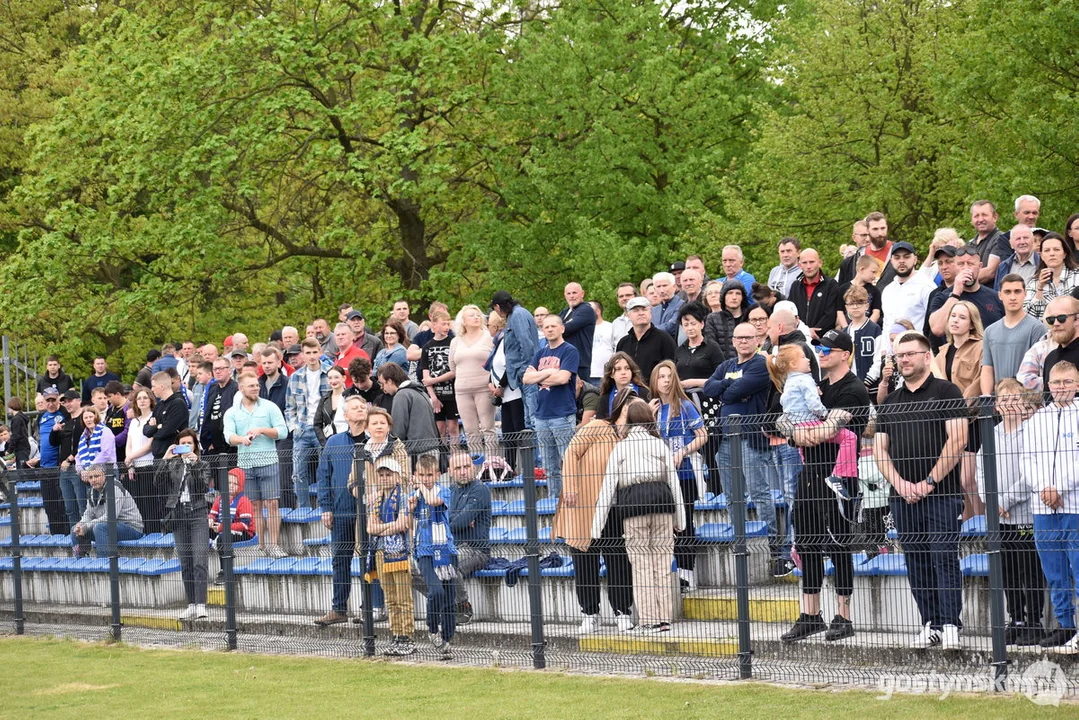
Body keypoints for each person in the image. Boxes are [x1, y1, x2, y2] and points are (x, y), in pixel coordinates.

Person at [875, 332, 968, 650]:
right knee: (916, 560)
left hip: (942, 495)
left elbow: (957, 441)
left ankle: (952, 624)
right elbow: (879, 451)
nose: (904, 360)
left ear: (927, 357)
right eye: (900, 356)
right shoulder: (890, 402)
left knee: (944, 558)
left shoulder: (947, 391)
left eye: (910, 354)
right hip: (902, 498)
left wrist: (928, 482)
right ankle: (931, 624)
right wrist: (900, 485)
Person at [780, 329, 871, 643]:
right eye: (819, 347)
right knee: (806, 542)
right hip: (809, 474)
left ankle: (843, 615)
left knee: (838, 544)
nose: (821, 352)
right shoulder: (813, 385)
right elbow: (785, 425)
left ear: (845, 354)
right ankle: (810, 614)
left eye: (828, 348)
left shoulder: (853, 389)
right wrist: (796, 432)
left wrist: (798, 433)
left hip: (838, 477)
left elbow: (815, 433)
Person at [591, 400, 686, 634]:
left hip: (633, 505)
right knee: (663, 561)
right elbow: (672, 481)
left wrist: (596, 526)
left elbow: (608, 488)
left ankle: (648, 620)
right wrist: (680, 518)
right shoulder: (659, 444)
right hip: (662, 503)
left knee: (641, 562)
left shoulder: (621, 448)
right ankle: (664, 618)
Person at [556, 388, 637, 634]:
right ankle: (589, 613)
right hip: (584, 505)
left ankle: (622, 611)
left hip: (615, 509)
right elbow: (571, 452)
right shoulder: (596, 426)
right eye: (628, 406)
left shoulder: (634, 435)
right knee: (585, 560)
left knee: (619, 561)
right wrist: (570, 487)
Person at [975, 380, 1046, 646]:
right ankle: (1015, 618)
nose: (1009, 405)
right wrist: (990, 501)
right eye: (1003, 401)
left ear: (1024, 402)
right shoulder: (991, 435)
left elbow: (1031, 474)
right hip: (1000, 518)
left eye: (1014, 399)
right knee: (1009, 571)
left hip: (1025, 515)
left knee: (1030, 570)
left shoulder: (1032, 432)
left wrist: (1005, 500)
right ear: (996, 406)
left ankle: (1034, 622)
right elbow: (981, 472)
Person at [704, 323, 781, 562]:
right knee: (732, 496)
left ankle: (775, 547)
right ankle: (740, 541)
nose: (743, 341)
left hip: (750, 437)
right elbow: (709, 388)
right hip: (726, 440)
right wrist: (729, 386)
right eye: (739, 337)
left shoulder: (760, 364)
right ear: (733, 341)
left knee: (759, 492)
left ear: (757, 339)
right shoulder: (726, 366)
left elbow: (729, 393)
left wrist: (726, 389)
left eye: (748, 337)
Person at [1021, 361, 1079, 653]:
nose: (1061, 387)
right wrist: (1044, 487)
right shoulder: (1037, 419)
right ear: (1047, 385)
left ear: (1077, 384)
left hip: (1075, 505)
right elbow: (1026, 460)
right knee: (1054, 572)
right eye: (1056, 382)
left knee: (1078, 569)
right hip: (1043, 507)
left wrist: (1061, 487)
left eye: (1067, 382)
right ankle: (1065, 626)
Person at [767, 342, 859, 493]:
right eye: (803, 357)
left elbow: (785, 404)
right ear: (793, 363)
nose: (809, 359)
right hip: (811, 422)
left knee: (802, 451)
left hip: (797, 425)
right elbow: (814, 404)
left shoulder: (788, 383)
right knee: (849, 437)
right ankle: (840, 474)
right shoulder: (805, 379)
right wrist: (825, 415)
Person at [649, 361, 707, 593]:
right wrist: (649, 417)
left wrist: (683, 451)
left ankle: (687, 574)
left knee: (684, 523)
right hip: (661, 477)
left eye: (669, 376)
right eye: (660, 376)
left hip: (684, 475)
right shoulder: (651, 408)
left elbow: (703, 435)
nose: (665, 380)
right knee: (666, 524)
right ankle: (668, 572)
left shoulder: (684, 405)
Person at [314, 396, 369, 626]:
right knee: (340, 560)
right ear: (345, 416)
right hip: (340, 511)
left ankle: (370, 608)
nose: (360, 410)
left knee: (369, 560)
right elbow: (323, 476)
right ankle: (339, 609)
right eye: (355, 408)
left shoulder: (375, 440)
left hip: (370, 512)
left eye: (362, 407)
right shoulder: (334, 442)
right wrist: (325, 507)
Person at [225, 372, 289, 557]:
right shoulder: (232, 412)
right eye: (251, 385)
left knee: (272, 503)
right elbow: (228, 436)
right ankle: (261, 546)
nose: (255, 388)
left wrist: (262, 430)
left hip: (268, 460)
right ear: (241, 388)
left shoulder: (270, 407)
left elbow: (283, 431)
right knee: (254, 506)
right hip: (245, 464)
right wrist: (242, 439)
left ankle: (274, 545)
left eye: (256, 385)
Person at [154, 428, 212, 620]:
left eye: (190, 443)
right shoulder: (173, 465)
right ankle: (191, 603)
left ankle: (201, 604)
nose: (186, 447)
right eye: (183, 444)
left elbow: (202, 487)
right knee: (185, 562)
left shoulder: (203, 464)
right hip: (178, 515)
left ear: (195, 446)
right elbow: (157, 482)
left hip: (197, 513)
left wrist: (194, 465)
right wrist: (166, 458)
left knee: (199, 560)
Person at [523, 314, 580, 500]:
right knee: (549, 465)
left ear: (562, 328)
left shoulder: (569, 351)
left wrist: (538, 376)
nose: (549, 329)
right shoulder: (540, 353)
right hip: (541, 416)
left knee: (568, 460)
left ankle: (573, 498)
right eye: (546, 327)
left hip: (562, 414)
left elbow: (563, 378)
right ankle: (555, 500)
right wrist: (548, 372)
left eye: (553, 326)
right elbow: (526, 379)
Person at [366, 456, 416, 656]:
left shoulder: (403, 497)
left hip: (399, 553)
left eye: (389, 474)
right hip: (380, 551)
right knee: (390, 598)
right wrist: (388, 528)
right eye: (382, 475)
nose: (385, 478)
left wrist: (382, 528)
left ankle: (408, 637)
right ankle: (396, 635)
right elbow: (370, 527)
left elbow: (403, 524)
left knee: (404, 597)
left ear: (397, 477)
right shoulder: (377, 500)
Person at [408, 454, 457, 658]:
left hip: (446, 550)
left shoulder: (444, 492)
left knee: (449, 597)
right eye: (421, 475)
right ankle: (432, 628)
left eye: (429, 475)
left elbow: (432, 500)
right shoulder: (414, 495)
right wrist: (410, 509)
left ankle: (447, 640)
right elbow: (410, 522)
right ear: (415, 474)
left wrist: (419, 487)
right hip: (425, 551)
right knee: (435, 591)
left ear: (437, 474)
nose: (426, 478)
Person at [980, 274, 1046, 394]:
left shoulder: (1037, 328)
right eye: (1007, 292)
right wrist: (986, 398)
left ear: (1025, 294)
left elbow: (1041, 370)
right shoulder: (990, 331)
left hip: (1029, 401)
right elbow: (987, 368)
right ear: (1000, 295)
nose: (1013, 297)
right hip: (999, 402)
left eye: (1017, 291)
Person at [446, 449, 490, 624]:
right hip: (451, 546)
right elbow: (440, 521)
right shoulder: (448, 491)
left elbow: (461, 521)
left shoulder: (480, 490)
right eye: (458, 468)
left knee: (449, 564)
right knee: (414, 567)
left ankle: (462, 606)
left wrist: (455, 519)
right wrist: (457, 519)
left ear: (473, 467)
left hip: (476, 550)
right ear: (450, 472)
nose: (463, 471)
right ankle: (446, 603)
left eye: (466, 466)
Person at [286, 339, 330, 510]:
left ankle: (324, 507)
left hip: (323, 429)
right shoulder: (295, 377)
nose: (311, 356)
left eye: (314, 352)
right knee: (298, 472)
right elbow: (289, 407)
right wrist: (293, 427)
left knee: (324, 469)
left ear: (320, 352)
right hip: (302, 429)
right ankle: (303, 507)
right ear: (303, 355)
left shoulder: (329, 372)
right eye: (308, 353)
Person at [450, 305, 496, 459]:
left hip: (484, 388)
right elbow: (452, 365)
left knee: (488, 427)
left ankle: (492, 465)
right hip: (462, 390)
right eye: (472, 315)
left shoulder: (488, 337)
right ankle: (476, 467)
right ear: (463, 320)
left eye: (478, 315)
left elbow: (495, 361)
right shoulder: (456, 341)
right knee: (470, 430)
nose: (476, 317)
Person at [489, 290, 539, 431]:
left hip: (527, 375)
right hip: (525, 375)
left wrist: (524, 371)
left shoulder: (517, 315)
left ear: (497, 307)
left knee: (532, 421)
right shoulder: (517, 314)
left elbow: (526, 344)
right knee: (528, 422)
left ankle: (538, 454)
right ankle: (531, 454)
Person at [71, 464, 144, 559]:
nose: (93, 480)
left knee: (100, 527)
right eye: (90, 477)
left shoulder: (114, 488)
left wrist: (86, 526)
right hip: (110, 527)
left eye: (96, 476)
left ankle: (104, 562)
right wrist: (81, 525)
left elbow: (110, 517)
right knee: (74, 529)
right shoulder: (92, 492)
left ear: (104, 476)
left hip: (131, 528)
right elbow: (88, 514)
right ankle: (81, 561)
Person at [377, 363, 440, 460]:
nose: (382, 388)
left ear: (389, 381)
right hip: (432, 448)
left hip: (417, 452)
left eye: (383, 384)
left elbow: (398, 431)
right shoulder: (420, 391)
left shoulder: (402, 395)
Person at [879, 242, 935, 351]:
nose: (901, 261)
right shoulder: (888, 290)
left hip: (917, 352)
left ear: (915, 259)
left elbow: (932, 326)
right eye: (897, 257)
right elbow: (886, 326)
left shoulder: (926, 286)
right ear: (891, 261)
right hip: (892, 356)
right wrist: (883, 354)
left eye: (906, 257)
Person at [209, 467, 255, 585]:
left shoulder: (244, 501)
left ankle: (225, 571)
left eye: (235, 483)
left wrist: (221, 527)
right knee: (202, 531)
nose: (231, 486)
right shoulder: (219, 499)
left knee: (223, 538)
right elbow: (212, 514)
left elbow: (244, 525)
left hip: (244, 533)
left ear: (240, 485)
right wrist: (210, 521)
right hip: (223, 528)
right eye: (229, 482)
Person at [419, 308, 457, 452]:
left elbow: (454, 371)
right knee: (440, 429)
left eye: (448, 324)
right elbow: (425, 375)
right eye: (443, 324)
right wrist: (433, 397)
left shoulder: (453, 343)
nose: (446, 327)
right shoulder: (427, 347)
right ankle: (443, 458)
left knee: (453, 427)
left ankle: (455, 455)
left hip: (452, 392)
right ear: (434, 325)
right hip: (436, 395)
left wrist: (433, 381)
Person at [616, 296, 676, 380]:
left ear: (650, 312)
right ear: (628, 315)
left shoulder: (664, 339)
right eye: (636, 310)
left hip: (655, 391)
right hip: (630, 390)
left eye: (644, 309)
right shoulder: (623, 343)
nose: (641, 313)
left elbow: (672, 369)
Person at [789, 249, 844, 339]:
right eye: (805, 263)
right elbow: (791, 312)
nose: (808, 266)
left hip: (823, 339)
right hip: (799, 338)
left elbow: (830, 314)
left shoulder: (831, 285)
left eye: (812, 262)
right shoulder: (796, 286)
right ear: (799, 265)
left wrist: (813, 333)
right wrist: (805, 331)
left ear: (820, 263)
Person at [1026, 232, 1079, 318]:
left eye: (1056, 249)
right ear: (1042, 256)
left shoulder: (1077, 275)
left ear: (1065, 253)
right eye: (1047, 250)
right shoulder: (1033, 282)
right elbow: (1030, 317)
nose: (1052, 254)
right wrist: (1040, 289)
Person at [558, 282, 597, 384]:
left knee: (581, 395)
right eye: (568, 293)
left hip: (580, 363)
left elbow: (566, 329)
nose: (571, 296)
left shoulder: (586, 310)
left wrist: (558, 328)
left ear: (582, 294)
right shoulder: (564, 312)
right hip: (563, 361)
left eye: (574, 293)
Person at [842, 285, 881, 386]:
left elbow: (879, 359)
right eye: (851, 303)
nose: (855, 307)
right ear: (846, 307)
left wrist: (867, 382)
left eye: (859, 303)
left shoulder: (875, 329)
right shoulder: (844, 333)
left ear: (867, 306)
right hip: (849, 386)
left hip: (872, 386)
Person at [596, 352, 651, 420]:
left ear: (632, 371)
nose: (623, 372)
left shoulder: (644, 392)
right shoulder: (605, 397)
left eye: (627, 368)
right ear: (611, 374)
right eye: (618, 369)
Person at [968, 200, 1010, 287]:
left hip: (991, 296)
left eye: (984, 215)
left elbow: (990, 272)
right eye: (976, 216)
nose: (980, 219)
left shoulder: (1001, 239)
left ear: (995, 217)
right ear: (971, 220)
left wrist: (964, 279)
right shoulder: (969, 244)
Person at [704, 280, 749, 359]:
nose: (734, 297)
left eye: (738, 293)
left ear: (742, 297)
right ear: (723, 296)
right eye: (730, 293)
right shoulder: (713, 318)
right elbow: (711, 346)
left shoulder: (750, 316)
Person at [1041, 296, 1079, 386]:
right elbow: (1048, 398)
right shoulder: (1050, 358)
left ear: (1077, 319)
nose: (1056, 323)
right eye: (1051, 320)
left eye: (1062, 318)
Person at [314, 366, 350, 445]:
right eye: (330, 378)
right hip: (328, 442)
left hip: (347, 442)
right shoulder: (324, 400)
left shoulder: (350, 397)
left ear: (344, 378)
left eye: (336, 377)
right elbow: (317, 424)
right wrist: (325, 443)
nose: (333, 381)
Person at [650, 271, 685, 337]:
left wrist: (649, 330)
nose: (662, 290)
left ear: (674, 287)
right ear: (654, 289)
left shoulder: (682, 305)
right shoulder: (654, 310)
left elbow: (672, 327)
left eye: (665, 286)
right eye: (658, 286)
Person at [590, 300, 615, 381]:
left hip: (606, 375)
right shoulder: (583, 329)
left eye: (588, 310)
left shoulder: (610, 327)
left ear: (598, 311)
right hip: (587, 374)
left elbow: (616, 349)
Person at [5, 398, 31, 469]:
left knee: (22, 471)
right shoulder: (21, 418)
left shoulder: (16, 419)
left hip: (20, 448)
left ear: (11, 406)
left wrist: (9, 450)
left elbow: (15, 435)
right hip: (24, 447)